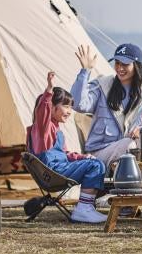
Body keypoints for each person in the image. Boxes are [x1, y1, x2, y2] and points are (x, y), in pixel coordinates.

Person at [71, 43, 142, 219]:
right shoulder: (103, 85)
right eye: (117, 63)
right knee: (130, 144)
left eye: (125, 64)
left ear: (136, 65)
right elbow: (78, 104)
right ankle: (132, 201)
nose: (119, 68)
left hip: (131, 151)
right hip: (100, 153)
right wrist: (85, 71)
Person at [27, 71, 108, 224]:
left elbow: (65, 153)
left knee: (95, 162)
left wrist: (83, 157)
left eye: (71, 107)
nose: (69, 111)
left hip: (60, 169)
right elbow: (42, 111)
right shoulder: (43, 130)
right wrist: (49, 90)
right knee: (96, 165)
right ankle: (84, 209)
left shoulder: (57, 130)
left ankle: (87, 207)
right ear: (51, 107)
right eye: (65, 106)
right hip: (53, 172)